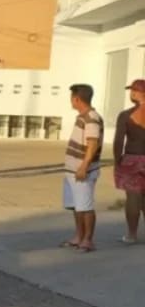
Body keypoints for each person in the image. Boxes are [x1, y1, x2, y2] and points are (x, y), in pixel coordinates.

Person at [62, 83, 104, 252]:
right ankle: (78, 236)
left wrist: (84, 166)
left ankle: (88, 240)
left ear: (77, 99)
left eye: (72, 97)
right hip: (72, 170)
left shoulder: (91, 117)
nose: (71, 101)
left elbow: (92, 143)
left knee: (85, 206)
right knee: (76, 206)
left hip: (82, 171)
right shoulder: (82, 116)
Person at [113, 79, 145, 244]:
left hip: (133, 157)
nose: (131, 93)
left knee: (133, 196)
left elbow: (119, 141)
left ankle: (132, 234)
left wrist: (117, 160)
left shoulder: (126, 115)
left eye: (135, 90)